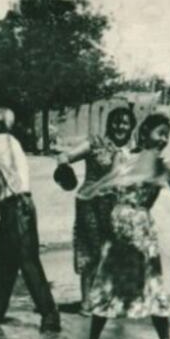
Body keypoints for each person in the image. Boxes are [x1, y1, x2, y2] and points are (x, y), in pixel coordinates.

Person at [79, 113, 170, 339]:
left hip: (142, 228)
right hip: (119, 226)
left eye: (167, 136)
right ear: (145, 131)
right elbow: (111, 181)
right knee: (106, 285)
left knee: (152, 287)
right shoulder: (123, 155)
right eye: (160, 133)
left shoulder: (162, 163)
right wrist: (95, 189)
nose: (164, 139)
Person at [0, 107, 62, 333]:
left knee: (28, 263)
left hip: (16, 209)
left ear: (0, 124)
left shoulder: (2, 140)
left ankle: (50, 316)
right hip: (14, 208)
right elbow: (6, 182)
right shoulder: (8, 143)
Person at [55, 107, 136, 308]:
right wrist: (64, 168)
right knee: (90, 252)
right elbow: (65, 156)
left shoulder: (133, 151)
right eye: (116, 121)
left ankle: (107, 298)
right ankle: (86, 302)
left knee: (114, 252)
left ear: (131, 127)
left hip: (117, 206)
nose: (120, 126)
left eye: (125, 123)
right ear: (109, 124)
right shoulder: (95, 143)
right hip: (90, 203)